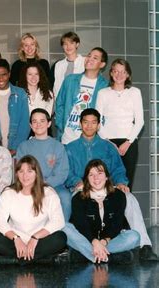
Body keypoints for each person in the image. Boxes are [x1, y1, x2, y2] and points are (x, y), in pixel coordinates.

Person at [66, 108, 158, 261]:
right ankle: (104, 252)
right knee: (70, 214)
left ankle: (144, 246)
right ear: (80, 124)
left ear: (98, 125)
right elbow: (67, 172)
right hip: (82, 189)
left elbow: (118, 169)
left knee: (129, 198)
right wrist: (78, 182)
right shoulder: (70, 148)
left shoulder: (108, 147)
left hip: (106, 189)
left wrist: (121, 182)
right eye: (86, 122)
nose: (89, 126)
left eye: (93, 122)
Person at [0, 155, 66, 265]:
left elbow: (58, 221)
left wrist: (35, 237)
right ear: (16, 174)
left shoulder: (48, 193)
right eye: (21, 171)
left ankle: (16, 261)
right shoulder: (8, 193)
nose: (25, 175)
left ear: (36, 173)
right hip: (15, 241)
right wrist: (16, 238)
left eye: (29, 171)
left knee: (60, 238)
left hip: (39, 240)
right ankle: (41, 260)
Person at [63, 159, 140, 264]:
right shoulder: (78, 198)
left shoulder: (118, 195)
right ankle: (107, 257)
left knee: (134, 237)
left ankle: (90, 255)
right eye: (91, 175)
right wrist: (95, 242)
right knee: (64, 228)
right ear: (87, 179)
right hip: (87, 240)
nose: (96, 178)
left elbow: (117, 224)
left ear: (107, 177)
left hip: (109, 241)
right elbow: (82, 225)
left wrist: (103, 242)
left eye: (100, 173)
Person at [96, 59, 144, 190]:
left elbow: (140, 121)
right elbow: (97, 121)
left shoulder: (134, 92)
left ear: (128, 74)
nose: (119, 75)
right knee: (107, 183)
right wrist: (109, 143)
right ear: (111, 73)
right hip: (108, 142)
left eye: (123, 72)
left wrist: (128, 142)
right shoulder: (103, 93)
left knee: (126, 184)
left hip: (129, 143)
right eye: (116, 71)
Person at [16, 109, 70, 219]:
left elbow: (62, 173)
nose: (38, 124)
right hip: (29, 184)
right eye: (34, 121)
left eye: (42, 121)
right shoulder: (24, 146)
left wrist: (46, 183)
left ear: (49, 123)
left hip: (54, 185)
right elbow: (20, 171)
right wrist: (34, 184)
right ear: (30, 125)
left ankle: (63, 229)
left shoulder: (58, 146)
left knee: (65, 197)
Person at [55, 47, 109, 144]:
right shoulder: (70, 80)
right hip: (68, 138)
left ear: (102, 64)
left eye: (95, 58)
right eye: (89, 55)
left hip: (91, 140)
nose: (90, 59)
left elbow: (107, 114)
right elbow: (59, 104)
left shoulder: (105, 86)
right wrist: (61, 126)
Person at [50, 31, 85, 97]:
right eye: (65, 44)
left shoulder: (85, 62)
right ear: (62, 46)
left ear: (77, 44)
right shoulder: (58, 65)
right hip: (61, 102)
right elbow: (56, 87)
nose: (68, 47)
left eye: (71, 43)